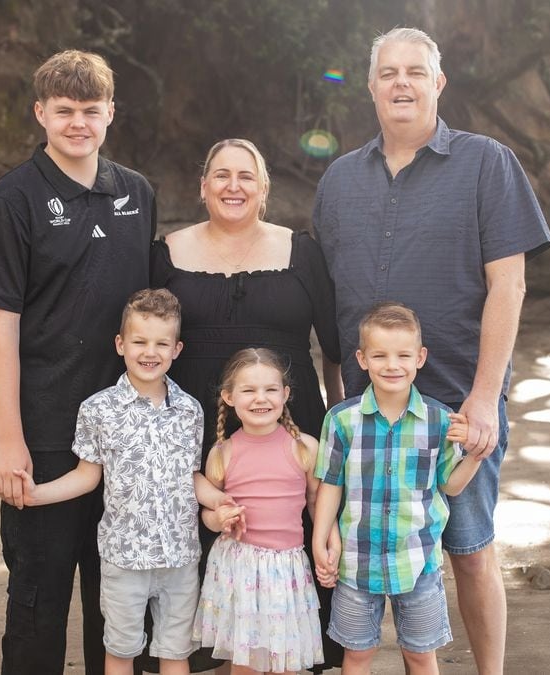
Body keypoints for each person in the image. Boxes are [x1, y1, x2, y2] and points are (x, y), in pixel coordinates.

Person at [311, 27, 550, 674]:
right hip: (367, 410)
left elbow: (511, 283)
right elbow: (332, 300)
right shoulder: (337, 182)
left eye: (415, 72)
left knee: (469, 548)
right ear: (370, 88)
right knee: (368, 551)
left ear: (438, 84)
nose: (401, 83)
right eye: (388, 73)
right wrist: (339, 398)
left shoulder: (487, 163)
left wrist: (483, 399)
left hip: (455, 403)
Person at [0, 49, 156, 674]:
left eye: (92, 111)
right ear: (41, 113)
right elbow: (0, 325)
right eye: (65, 111)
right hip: (46, 433)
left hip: (128, 434)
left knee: (123, 605)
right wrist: (8, 440)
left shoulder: (137, 193)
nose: (79, 123)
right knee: (37, 599)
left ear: (110, 114)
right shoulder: (12, 200)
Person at [149, 138, 344, 672]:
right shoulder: (164, 254)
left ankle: (293, 653)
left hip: (289, 423)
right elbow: (147, 340)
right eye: (221, 175)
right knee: (200, 537)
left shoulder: (301, 252)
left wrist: (341, 424)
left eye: (246, 176)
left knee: (291, 541)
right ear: (202, 186)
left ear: (263, 189)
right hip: (191, 430)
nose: (233, 186)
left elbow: (334, 345)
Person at [2, 289, 240, 675]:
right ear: (120, 344)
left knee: (175, 651)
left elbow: (190, 477)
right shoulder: (98, 409)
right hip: (124, 557)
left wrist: (221, 501)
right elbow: (86, 476)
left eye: (162, 343)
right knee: (121, 649)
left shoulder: (190, 410)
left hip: (180, 556)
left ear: (177, 349)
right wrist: (36, 495)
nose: (151, 352)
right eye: (140, 342)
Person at [312, 303, 480, 674]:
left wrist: (477, 455)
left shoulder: (439, 421)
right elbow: (330, 484)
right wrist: (321, 538)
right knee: (356, 655)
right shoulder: (342, 420)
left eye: (403, 355)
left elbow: (450, 485)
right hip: (357, 561)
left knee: (421, 655)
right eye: (380, 355)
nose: (392, 365)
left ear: (420, 358)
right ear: (361, 359)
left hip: (417, 560)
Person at [192, 348, 338, 674]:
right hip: (238, 568)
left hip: (285, 570)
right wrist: (217, 518)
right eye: (248, 390)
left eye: (271, 389)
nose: (262, 398)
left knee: (285, 662)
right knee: (244, 663)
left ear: (285, 394)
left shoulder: (305, 448)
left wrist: (330, 543)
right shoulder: (222, 453)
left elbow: (318, 504)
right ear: (229, 397)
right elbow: (207, 510)